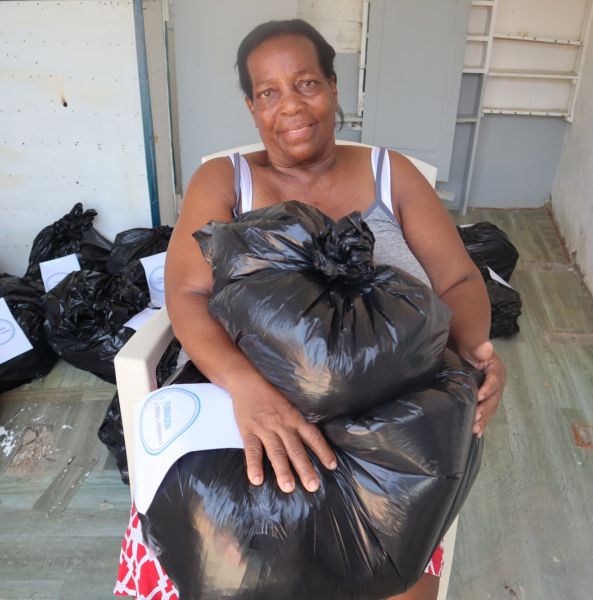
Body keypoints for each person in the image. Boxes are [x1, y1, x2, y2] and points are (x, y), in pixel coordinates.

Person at [163, 18, 506, 600]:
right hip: (248, 398)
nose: (291, 106)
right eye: (268, 92)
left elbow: (458, 279)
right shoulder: (224, 181)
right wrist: (249, 390)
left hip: (388, 404)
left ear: (333, 87)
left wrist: (472, 357)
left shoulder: (389, 174)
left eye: (306, 84)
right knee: (235, 558)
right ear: (251, 107)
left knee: (396, 572)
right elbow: (187, 296)